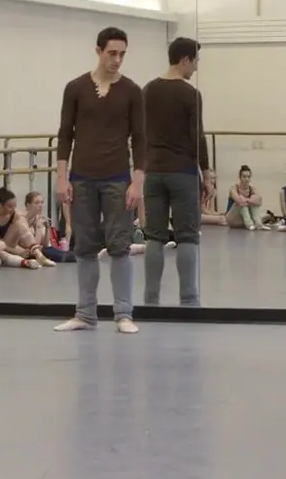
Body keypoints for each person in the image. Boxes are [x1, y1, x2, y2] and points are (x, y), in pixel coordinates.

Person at [53, 26, 146, 334]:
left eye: (122, 54)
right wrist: (62, 177)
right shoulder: (76, 88)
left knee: (120, 246)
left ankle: (124, 314)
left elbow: (140, 139)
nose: (117, 60)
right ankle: (85, 313)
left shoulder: (132, 91)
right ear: (98, 51)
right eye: (112, 53)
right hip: (81, 179)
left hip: (118, 179)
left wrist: (137, 182)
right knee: (85, 247)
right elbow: (65, 135)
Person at [142, 36, 210, 307]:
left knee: (154, 237)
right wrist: (207, 172)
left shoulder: (147, 90)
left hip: (153, 172)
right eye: (195, 61)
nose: (196, 67)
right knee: (187, 237)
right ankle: (189, 299)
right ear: (185, 59)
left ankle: (151, 300)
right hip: (182, 172)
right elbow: (198, 136)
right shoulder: (191, 94)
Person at [0, 187, 55, 268]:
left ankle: (39, 255)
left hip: (7, 244)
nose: (13, 209)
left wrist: (23, 249)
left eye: (15, 206)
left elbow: (21, 232)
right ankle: (25, 262)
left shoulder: (13, 214)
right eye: (10, 207)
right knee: (2, 252)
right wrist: (18, 252)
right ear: (1, 205)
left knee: (20, 222)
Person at [23, 191, 75, 263]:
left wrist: (47, 229)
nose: (40, 205)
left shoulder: (39, 218)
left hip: (43, 250)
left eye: (42, 202)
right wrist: (38, 228)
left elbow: (46, 244)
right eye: (36, 203)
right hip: (32, 252)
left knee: (63, 253)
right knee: (63, 256)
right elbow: (35, 246)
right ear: (28, 205)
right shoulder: (23, 220)